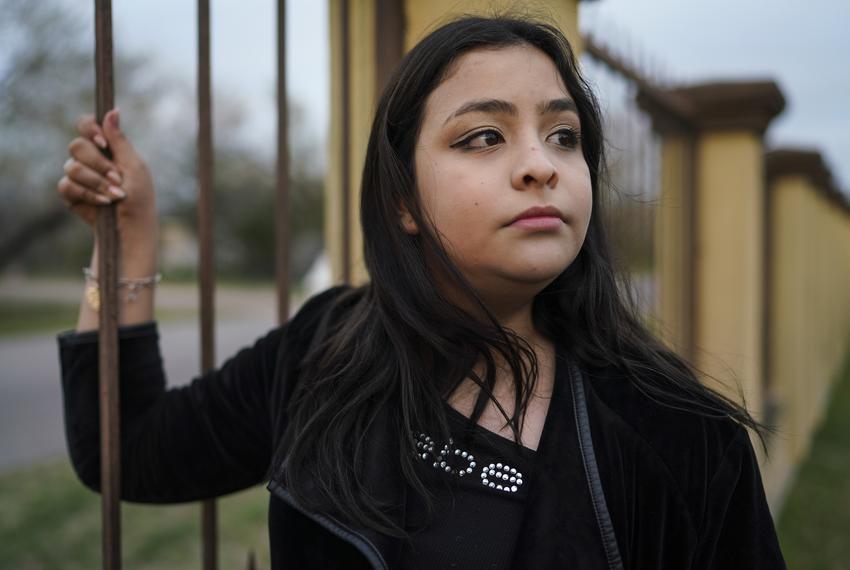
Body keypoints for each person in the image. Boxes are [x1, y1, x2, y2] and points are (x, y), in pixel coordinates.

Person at [56, 16, 786, 569]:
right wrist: (134, 238)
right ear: (403, 198)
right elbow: (129, 450)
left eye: (564, 136)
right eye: (483, 137)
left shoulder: (682, 438)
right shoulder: (325, 349)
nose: (542, 164)